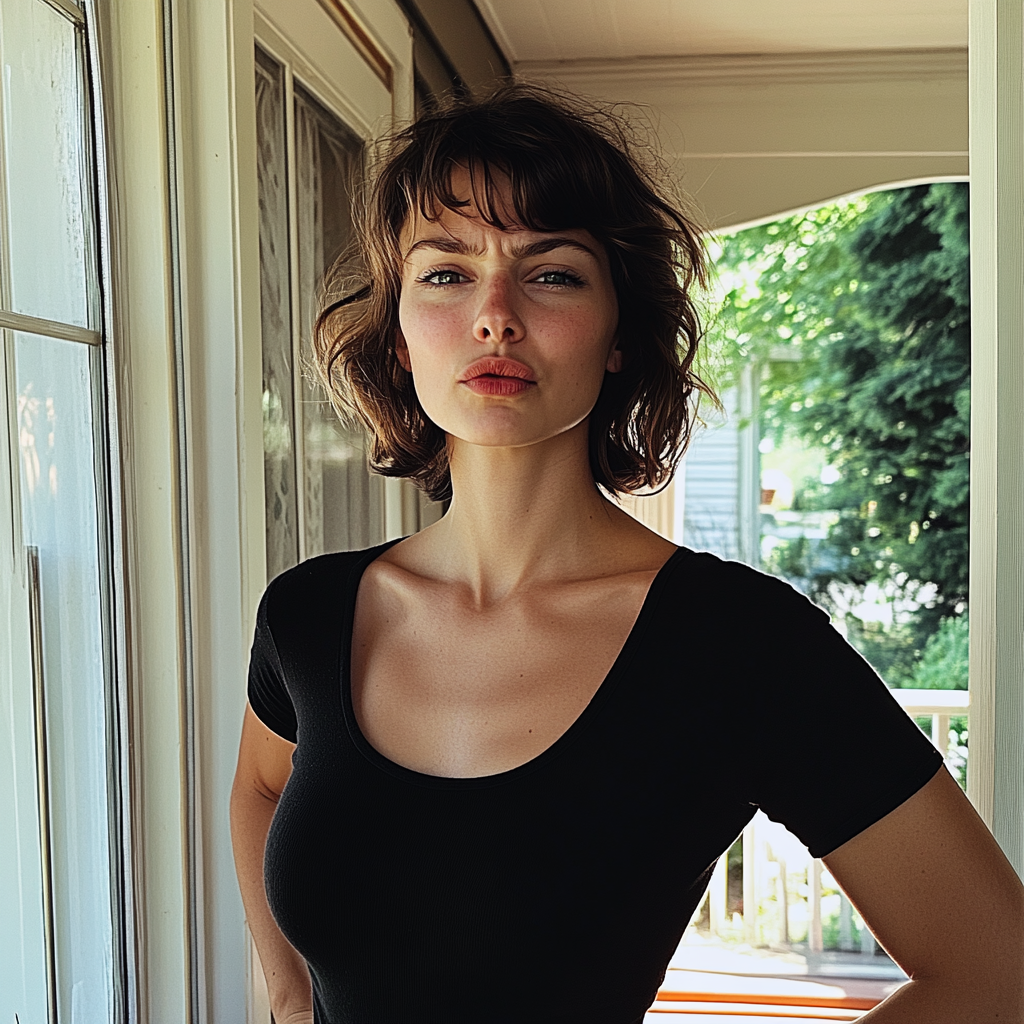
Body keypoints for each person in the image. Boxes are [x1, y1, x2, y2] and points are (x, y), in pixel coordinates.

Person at [230, 84, 1024, 1024]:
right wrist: (285, 995)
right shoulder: (309, 615)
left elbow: (995, 971)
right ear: (399, 334)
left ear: (618, 335)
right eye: (445, 273)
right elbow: (261, 785)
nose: (495, 315)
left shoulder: (739, 645)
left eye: (553, 273)